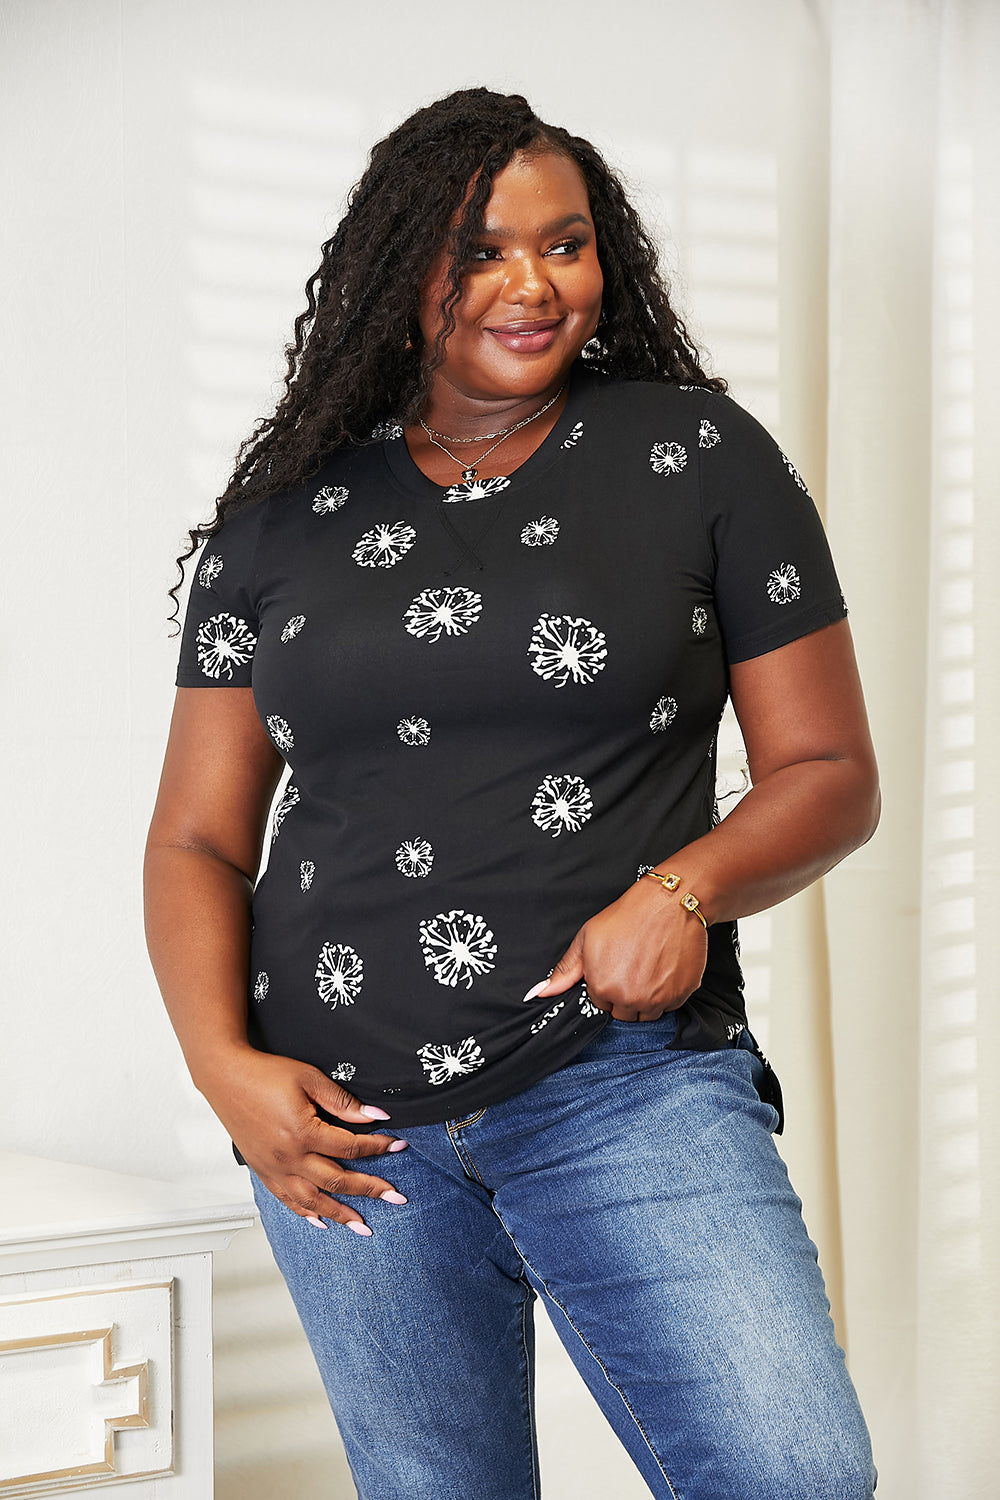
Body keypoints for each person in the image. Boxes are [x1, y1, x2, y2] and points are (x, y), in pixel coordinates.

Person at [144, 87, 879, 1500]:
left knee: (793, 1474)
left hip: (616, 1082)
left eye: (568, 243)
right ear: (398, 266)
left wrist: (684, 889)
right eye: (481, 249)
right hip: (342, 1128)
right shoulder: (281, 517)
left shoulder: (695, 457)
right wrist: (224, 1071)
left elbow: (830, 773)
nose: (533, 284)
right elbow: (192, 836)